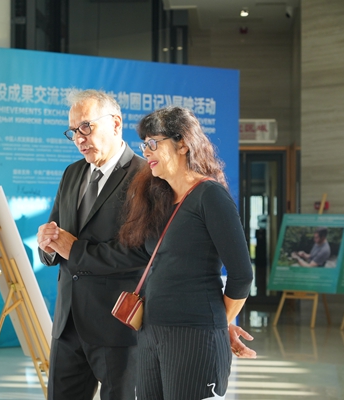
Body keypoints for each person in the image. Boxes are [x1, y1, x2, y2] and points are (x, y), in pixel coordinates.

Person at [117, 106, 254, 400]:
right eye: (144, 144)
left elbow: (242, 275)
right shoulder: (160, 199)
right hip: (151, 333)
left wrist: (220, 323)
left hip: (194, 336)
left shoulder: (210, 196)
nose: (146, 151)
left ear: (182, 144)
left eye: (154, 143)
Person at [37, 89, 150, 400]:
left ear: (115, 123)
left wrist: (74, 250)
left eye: (86, 126)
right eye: (73, 131)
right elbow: (56, 237)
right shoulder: (72, 173)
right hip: (68, 325)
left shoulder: (144, 177)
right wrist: (46, 246)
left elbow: (142, 253)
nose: (79, 138)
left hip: (116, 327)